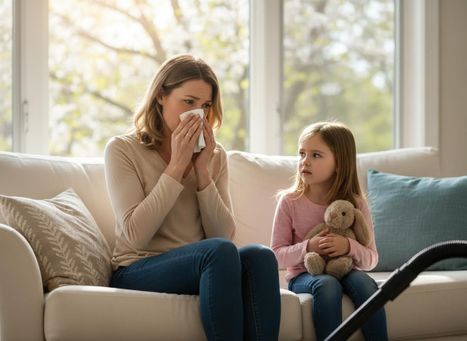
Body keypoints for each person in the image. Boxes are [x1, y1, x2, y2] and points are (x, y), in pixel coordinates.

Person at [104, 53, 281, 341]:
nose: (198, 114)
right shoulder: (122, 149)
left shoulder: (215, 155)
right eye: (188, 102)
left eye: (205, 105)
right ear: (161, 96)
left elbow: (223, 234)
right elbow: (135, 236)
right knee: (218, 253)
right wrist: (176, 167)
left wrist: (202, 172)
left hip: (203, 265)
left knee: (259, 256)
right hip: (138, 268)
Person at [271, 121, 388, 341]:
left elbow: (371, 259)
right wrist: (309, 247)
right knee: (327, 285)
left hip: (344, 270)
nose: (305, 161)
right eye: (302, 153)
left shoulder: (355, 204)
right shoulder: (289, 201)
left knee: (364, 283)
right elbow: (276, 255)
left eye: (316, 155)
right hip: (304, 275)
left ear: (339, 163)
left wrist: (349, 247)